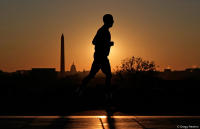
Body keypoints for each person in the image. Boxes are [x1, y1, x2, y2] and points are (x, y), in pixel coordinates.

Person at [78, 14, 114, 99]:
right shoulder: (103, 31)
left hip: (100, 56)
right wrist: (108, 44)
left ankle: (80, 89)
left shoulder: (103, 30)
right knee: (108, 75)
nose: (113, 22)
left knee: (92, 75)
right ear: (108, 21)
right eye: (112, 20)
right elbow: (94, 42)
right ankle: (107, 94)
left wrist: (107, 44)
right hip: (101, 56)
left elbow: (95, 41)